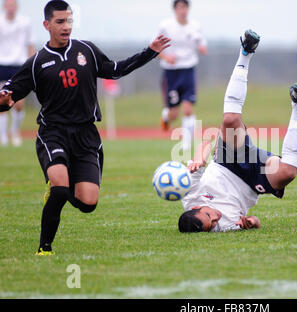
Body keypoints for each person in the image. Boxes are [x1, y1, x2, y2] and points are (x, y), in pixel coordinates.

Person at [0, 0, 171, 255]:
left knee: (88, 203)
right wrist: (3, 101)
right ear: (46, 25)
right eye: (60, 21)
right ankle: (44, 248)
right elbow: (9, 97)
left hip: (86, 135)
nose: (66, 26)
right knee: (59, 188)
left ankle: (59, 190)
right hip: (53, 133)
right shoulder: (37, 62)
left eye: (69, 20)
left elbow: (115, 70)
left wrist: (150, 51)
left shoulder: (86, 51)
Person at [178, 30, 297, 232]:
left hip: (226, 161)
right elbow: (254, 220)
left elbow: (205, 144)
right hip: (251, 181)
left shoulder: (189, 196)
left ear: (195, 207)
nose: (216, 218)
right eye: (212, 224)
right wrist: (251, 223)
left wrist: (199, 159)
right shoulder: (223, 227)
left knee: (230, 120)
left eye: (209, 216)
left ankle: (246, 52)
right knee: (287, 173)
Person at [158, 0, 207, 151]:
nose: (183, 10)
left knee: (187, 109)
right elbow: (155, 47)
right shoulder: (166, 26)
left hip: (188, 70)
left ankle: (186, 144)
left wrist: (201, 47)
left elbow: (202, 44)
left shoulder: (195, 26)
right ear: (175, 9)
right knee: (174, 114)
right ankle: (166, 115)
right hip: (171, 73)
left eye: (185, 7)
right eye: (180, 7)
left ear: (188, 9)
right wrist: (167, 58)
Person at [0, 0, 34, 147]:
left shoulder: (25, 23)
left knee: (19, 103)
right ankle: (3, 137)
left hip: (19, 65)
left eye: (13, 5)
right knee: (1, 101)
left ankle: (15, 131)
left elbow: (30, 44)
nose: (11, 8)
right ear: (4, 7)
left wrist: (31, 64)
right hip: (2, 65)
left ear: (17, 7)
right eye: (8, 5)